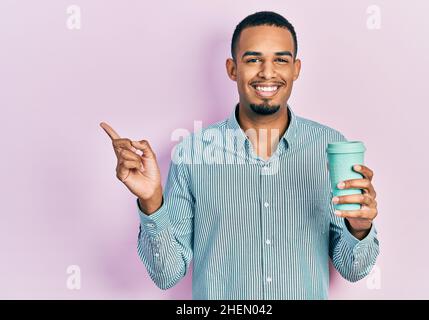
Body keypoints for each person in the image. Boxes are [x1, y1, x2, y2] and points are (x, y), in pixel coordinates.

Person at [100, 11, 379, 300]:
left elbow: (353, 268)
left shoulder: (329, 147)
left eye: (280, 60)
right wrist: (151, 201)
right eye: (253, 59)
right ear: (233, 69)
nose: (267, 72)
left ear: (296, 69)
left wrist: (359, 228)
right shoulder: (192, 154)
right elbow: (167, 274)